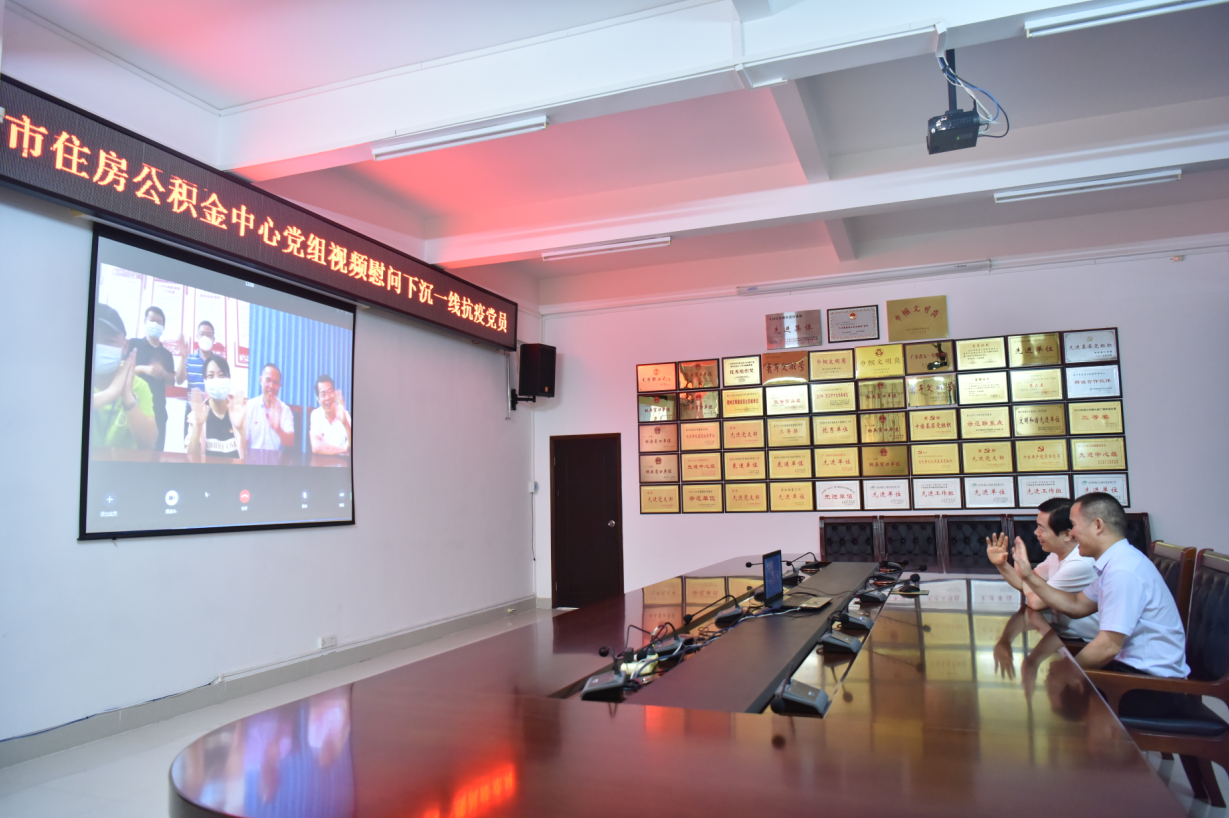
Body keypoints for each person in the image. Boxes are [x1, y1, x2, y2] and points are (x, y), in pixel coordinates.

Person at [1009, 492, 1188, 678]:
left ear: (1097, 525)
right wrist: (1028, 576)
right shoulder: (1115, 563)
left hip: (1147, 680)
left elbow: (1108, 646)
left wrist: (1066, 675)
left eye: (1074, 525)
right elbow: (1076, 605)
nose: (1072, 533)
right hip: (1126, 667)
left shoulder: (1123, 570)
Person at [986, 497, 1100, 642]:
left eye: (1042, 528)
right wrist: (1001, 564)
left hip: (1083, 641)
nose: (1036, 532)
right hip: (1060, 635)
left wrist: (1027, 577)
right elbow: (1026, 584)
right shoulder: (1057, 554)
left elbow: (1035, 602)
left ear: (1067, 534)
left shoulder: (1078, 563)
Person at [91, 304, 157, 450]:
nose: (98, 346)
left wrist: (128, 398)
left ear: (125, 347)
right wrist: (109, 394)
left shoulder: (139, 386)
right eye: (93, 339)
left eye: (109, 340)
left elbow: (149, 443)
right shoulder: (70, 380)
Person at [128, 306, 176, 452]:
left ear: (163, 327)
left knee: (156, 456)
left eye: (159, 322)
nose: (155, 324)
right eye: (152, 320)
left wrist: (163, 373)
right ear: (145, 321)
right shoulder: (134, 344)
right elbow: (123, 370)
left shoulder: (167, 354)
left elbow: (172, 382)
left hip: (158, 412)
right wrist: (145, 369)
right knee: (130, 454)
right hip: (133, 407)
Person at [186, 356, 247, 460]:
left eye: (221, 375)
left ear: (229, 379)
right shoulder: (196, 416)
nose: (216, 380)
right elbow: (190, 459)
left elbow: (252, 458)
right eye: (210, 376)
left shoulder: (240, 413)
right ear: (205, 381)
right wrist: (198, 426)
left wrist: (241, 430)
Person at [176, 319, 217, 437]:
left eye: (209, 335)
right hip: (192, 411)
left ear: (213, 339)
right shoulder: (189, 359)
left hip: (212, 412)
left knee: (210, 446)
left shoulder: (218, 362)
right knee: (190, 445)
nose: (205, 337)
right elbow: (179, 380)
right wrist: (183, 358)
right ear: (197, 337)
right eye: (202, 334)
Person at [244, 363, 295, 452]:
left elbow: (290, 442)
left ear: (279, 386)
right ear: (261, 380)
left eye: (275, 382)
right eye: (268, 380)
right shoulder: (249, 407)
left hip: (277, 459)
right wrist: (237, 429)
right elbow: (243, 443)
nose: (271, 386)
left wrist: (278, 429)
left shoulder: (285, 410)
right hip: (254, 458)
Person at [309, 375, 351, 455]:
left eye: (330, 392)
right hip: (322, 462)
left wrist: (345, 422)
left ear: (335, 394)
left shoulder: (345, 414)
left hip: (342, 462)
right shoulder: (315, 414)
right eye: (323, 394)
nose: (327, 397)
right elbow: (315, 447)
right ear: (318, 399)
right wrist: (343, 449)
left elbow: (353, 443)